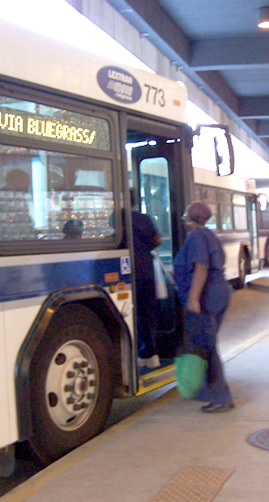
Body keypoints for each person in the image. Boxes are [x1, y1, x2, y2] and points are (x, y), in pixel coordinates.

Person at [173, 201, 234, 413]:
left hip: (207, 297)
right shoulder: (209, 235)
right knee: (205, 342)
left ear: (189, 218)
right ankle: (206, 390)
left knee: (207, 347)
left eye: (184, 215)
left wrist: (193, 297)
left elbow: (201, 267)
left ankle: (221, 398)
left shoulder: (196, 237)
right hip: (218, 294)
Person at [131, 190, 162, 369]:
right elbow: (157, 240)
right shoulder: (145, 219)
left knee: (131, 314)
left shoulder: (116, 218)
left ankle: (135, 354)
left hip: (127, 271)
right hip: (146, 270)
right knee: (147, 314)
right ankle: (150, 354)